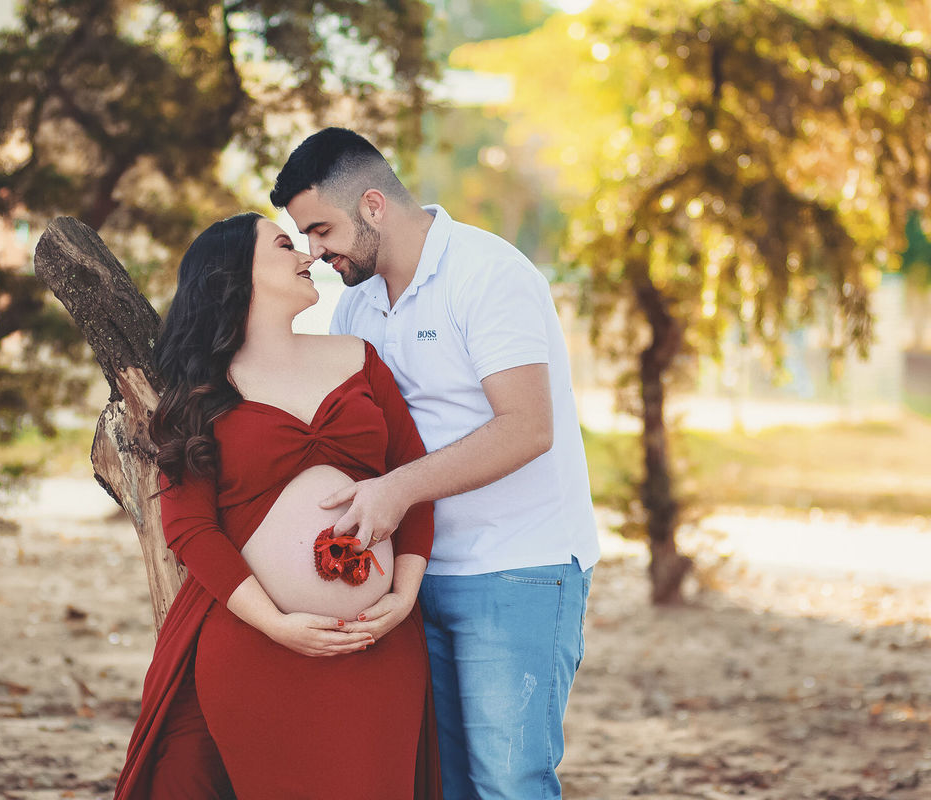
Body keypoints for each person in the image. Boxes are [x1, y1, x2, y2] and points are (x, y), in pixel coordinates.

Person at [271, 127, 601, 800]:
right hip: (410, 578)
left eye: (321, 230)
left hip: (516, 566)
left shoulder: (489, 274)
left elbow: (528, 426)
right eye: (305, 237)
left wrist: (397, 490)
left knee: (508, 784)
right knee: (442, 785)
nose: (315, 252)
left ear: (372, 205)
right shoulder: (355, 306)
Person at [111, 212, 441, 799]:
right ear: (234, 273)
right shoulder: (203, 390)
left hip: (377, 644)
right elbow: (189, 526)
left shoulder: (359, 358)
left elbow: (414, 481)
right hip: (257, 646)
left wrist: (403, 596)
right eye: (286, 244)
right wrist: (277, 625)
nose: (309, 255)